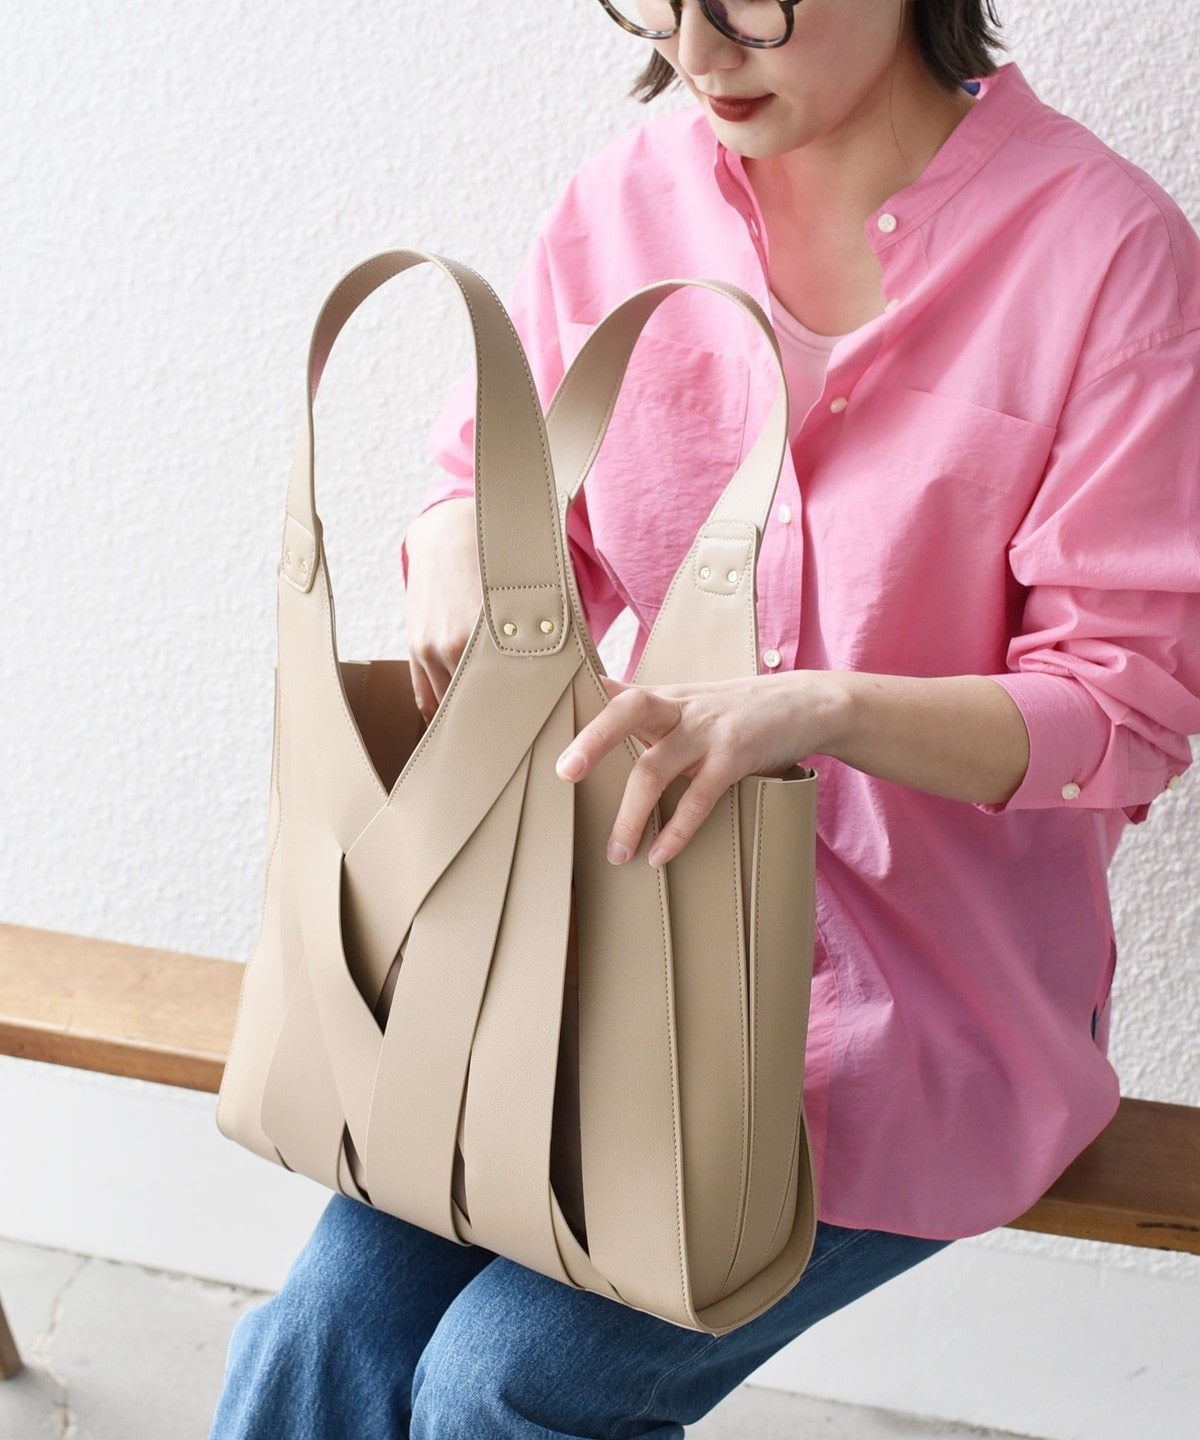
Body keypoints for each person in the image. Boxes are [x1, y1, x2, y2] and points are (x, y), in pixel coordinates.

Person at [211, 2, 1200, 1435]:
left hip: (916, 1021)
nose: (698, 50)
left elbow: (1126, 706)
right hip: (595, 962)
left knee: (503, 1385)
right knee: (319, 1337)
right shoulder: (626, 206)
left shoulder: (1107, 258)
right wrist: (453, 541)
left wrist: (827, 709)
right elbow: (499, 490)